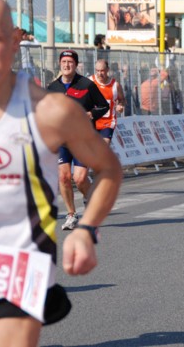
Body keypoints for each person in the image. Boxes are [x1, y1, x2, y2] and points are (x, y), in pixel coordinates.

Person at [0, 0, 122, 347]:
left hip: (19, 265)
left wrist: (86, 229)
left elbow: (109, 169)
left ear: (14, 40)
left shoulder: (50, 111)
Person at [47, 50, 110, 231]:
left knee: (80, 178)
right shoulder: (52, 88)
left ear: (76, 65)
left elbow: (103, 106)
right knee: (64, 177)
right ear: (60, 64)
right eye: (64, 62)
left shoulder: (86, 85)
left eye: (70, 62)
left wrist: (91, 113)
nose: (67, 65)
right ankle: (71, 214)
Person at [91, 59, 126, 143]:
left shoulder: (115, 85)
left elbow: (122, 99)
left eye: (102, 71)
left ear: (107, 70)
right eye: (97, 71)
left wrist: (120, 106)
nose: (100, 73)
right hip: (91, 122)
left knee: (104, 146)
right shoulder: (90, 82)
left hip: (107, 122)